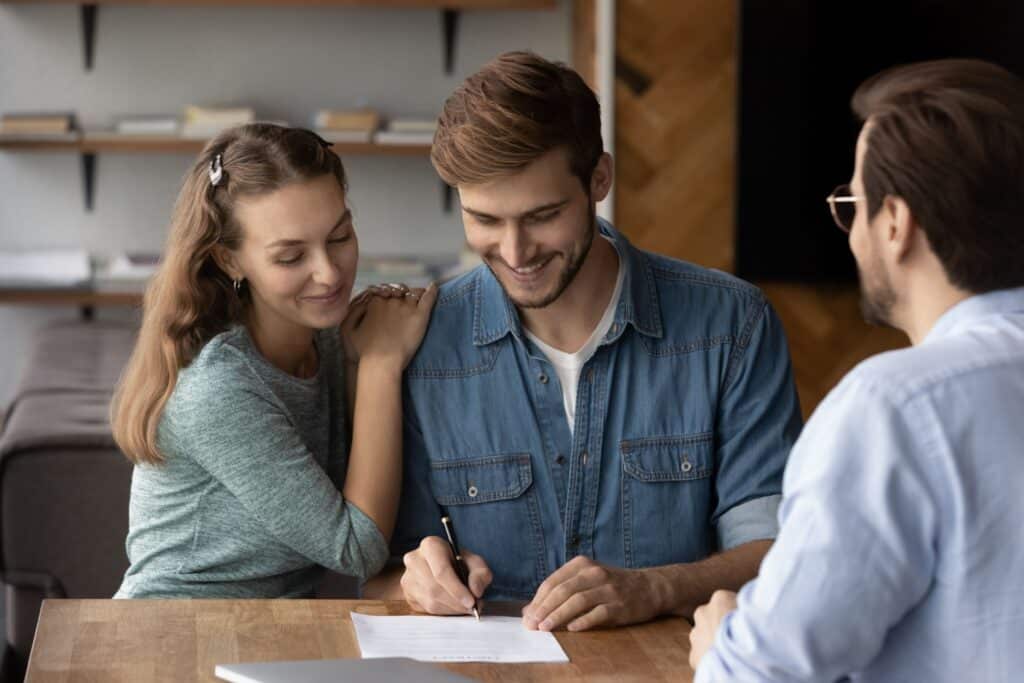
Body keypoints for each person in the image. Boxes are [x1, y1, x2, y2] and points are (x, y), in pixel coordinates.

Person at [364, 52, 803, 632]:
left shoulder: (732, 326)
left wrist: (655, 587)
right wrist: (419, 578)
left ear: (599, 178)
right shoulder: (421, 342)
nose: (516, 253)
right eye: (485, 221)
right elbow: (386, 565)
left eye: (542, 216)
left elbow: (777, 553)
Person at [689, 59, 1024, 682]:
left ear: (895, 224)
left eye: (852, 204)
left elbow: (763, 676)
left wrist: (718, 647)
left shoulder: (893, 407)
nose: (851, 231)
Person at [111, 123, 437, 598]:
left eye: (340, 236)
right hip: (175, 631)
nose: (329, 273)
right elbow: (357, 547)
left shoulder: (323, 339)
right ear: (229, 261)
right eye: (290, 257)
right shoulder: (218, 387)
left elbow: (373, 499)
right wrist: (381, 363)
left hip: (269, 631)